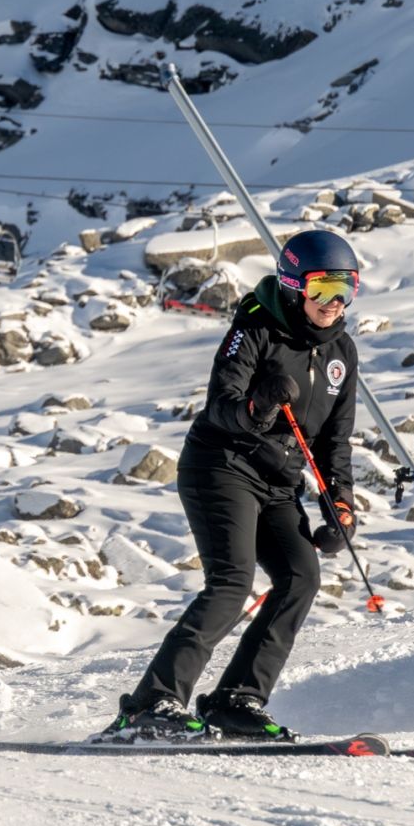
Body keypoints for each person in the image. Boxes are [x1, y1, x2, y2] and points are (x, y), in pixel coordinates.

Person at [98, 230, 362, 743]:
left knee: (301, 574)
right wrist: (257, 407)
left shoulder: (342, 352)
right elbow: (221, 404)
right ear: (292, 286)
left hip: (278, 483)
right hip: (221, 465)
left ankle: (237, 699)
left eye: (345, 289)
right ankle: (152, 703)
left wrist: (341, 504)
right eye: (322, 289)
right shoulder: (255, 329)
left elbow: (336, 440)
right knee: (232, 581)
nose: (333, 303)